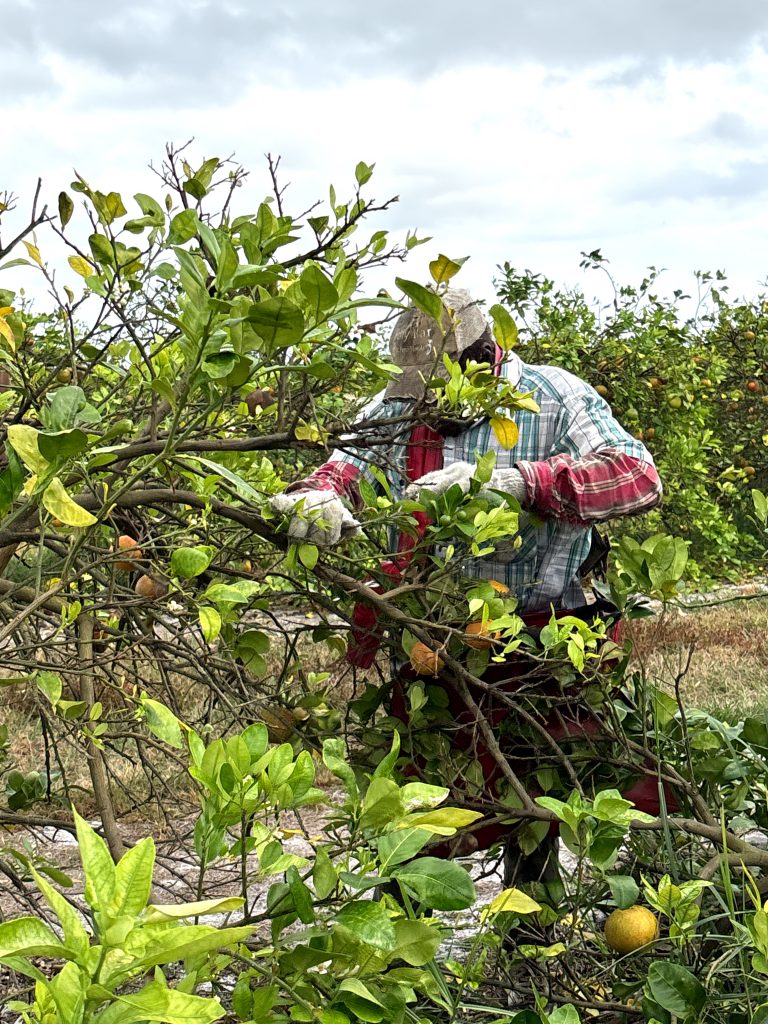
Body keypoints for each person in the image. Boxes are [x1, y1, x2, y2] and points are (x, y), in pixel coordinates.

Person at [270, 288, 663, 886]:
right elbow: (349, 465)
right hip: (438, 641)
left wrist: (523, 483)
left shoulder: (553, 398)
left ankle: (530, 936)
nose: (426, 403)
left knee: (539, 798)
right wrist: (317, 494)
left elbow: (637, 477)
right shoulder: (400, 406)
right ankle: (403, 953)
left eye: (437, 388)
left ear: (481, 361)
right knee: (425, 806)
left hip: (543, 643)